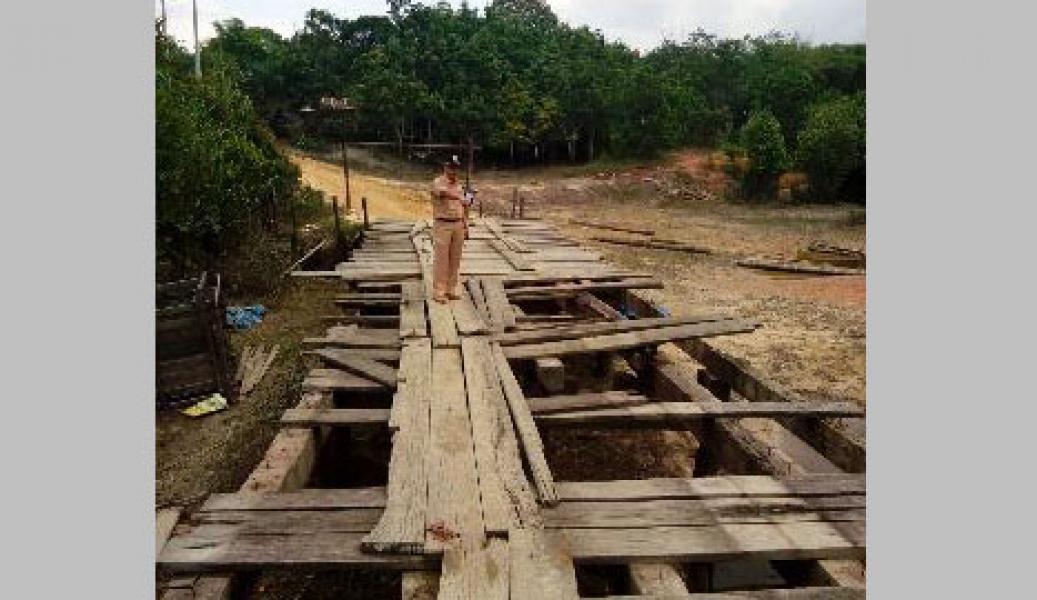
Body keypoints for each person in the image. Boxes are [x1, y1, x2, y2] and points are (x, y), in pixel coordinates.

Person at [430, 155, 467, 303]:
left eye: (456, 168)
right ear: (445, 167)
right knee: (442, 259)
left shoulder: (459, 185)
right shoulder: (438, 182)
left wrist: (466, 223)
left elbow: (463, 206)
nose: (454, 171)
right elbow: (443, 193)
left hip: (458, 224)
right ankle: (439, 292)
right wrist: (458, 197)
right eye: (451, 167)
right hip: (443, 224)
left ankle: (451, 289)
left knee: (455, 259)